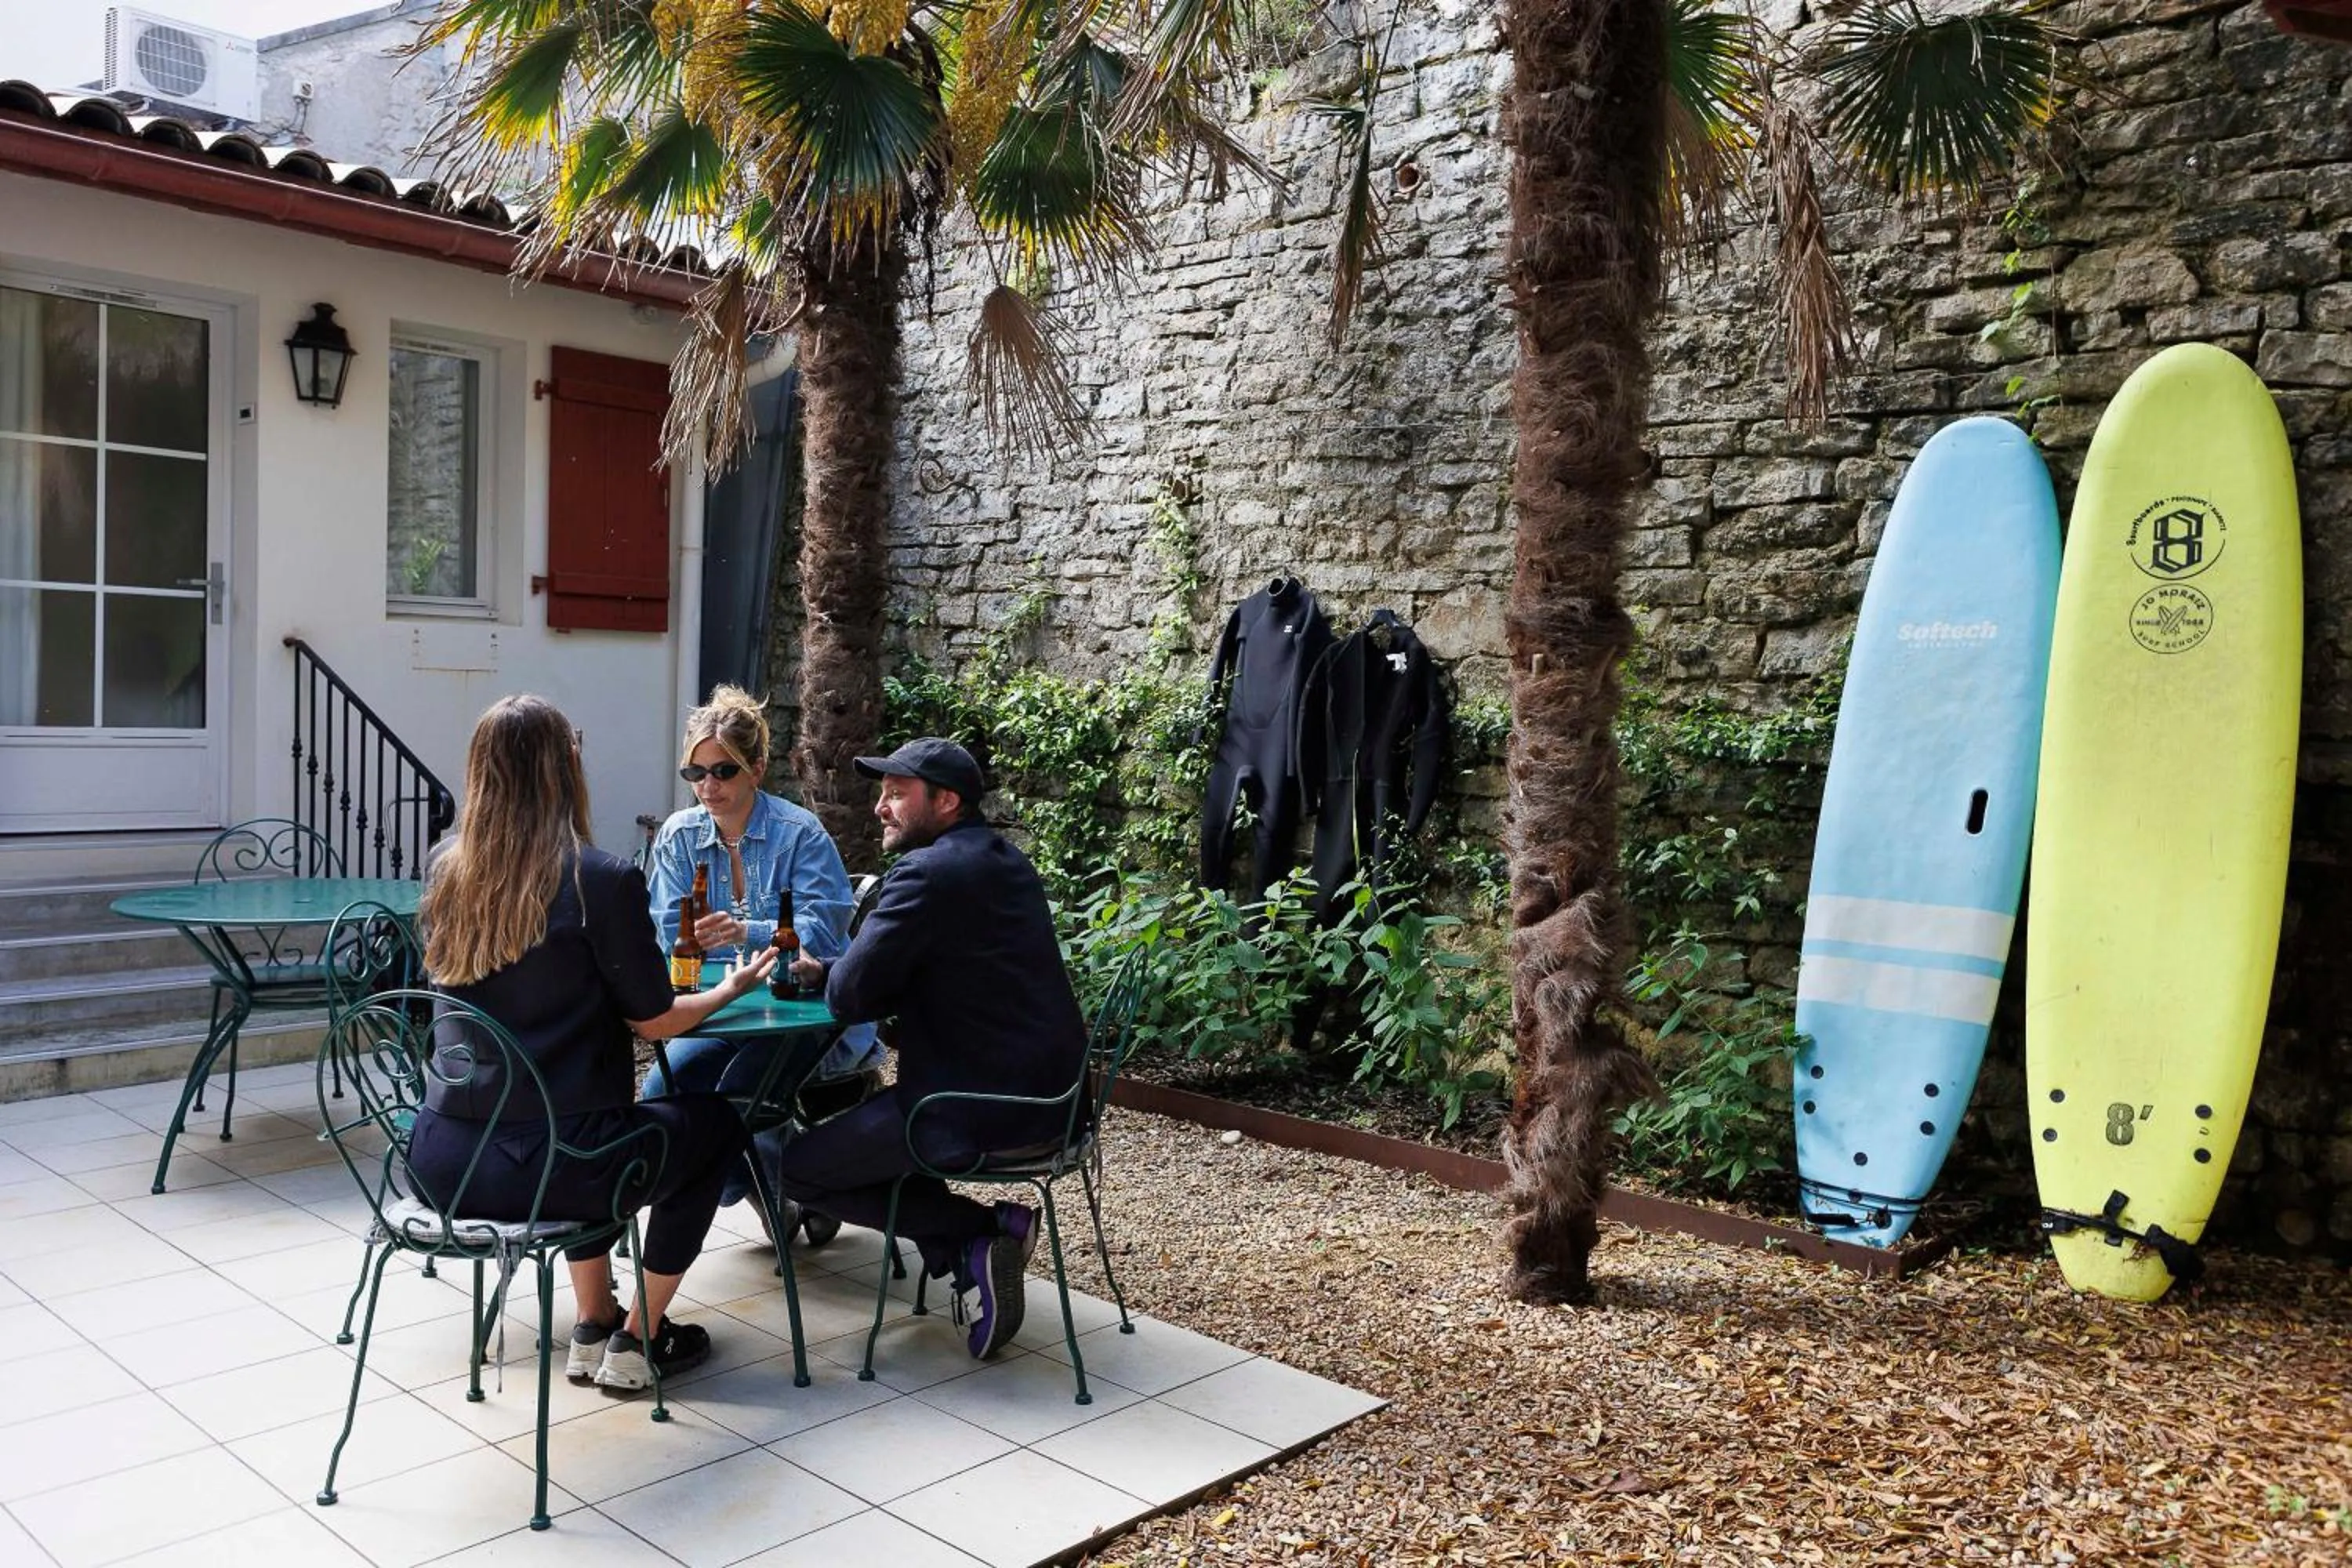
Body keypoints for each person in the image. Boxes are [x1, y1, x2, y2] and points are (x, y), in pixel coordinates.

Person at [411, 695, 777, 1392]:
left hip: (444, 1161)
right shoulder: (600, 880)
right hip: (561, 1166)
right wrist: (729, 991)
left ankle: (594, 1319)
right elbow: (655, 1020)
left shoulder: (443, 867)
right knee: (713, 1126)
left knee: (594, 1126)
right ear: (565, 768)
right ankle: (640, 1339)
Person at [779, 737, 1089, 1359]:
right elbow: (941, 967)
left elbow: (851, 997)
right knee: (863, 1146)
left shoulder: (925, 874)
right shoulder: (1005, 861)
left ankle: (980, 1232)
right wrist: (841, 972)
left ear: (946, 801)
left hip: (970, 1107)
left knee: (799, 1170)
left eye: (897, 794)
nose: (880, 808)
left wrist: (832, 974)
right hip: (1056, 1103)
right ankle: (970, 1253)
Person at [641, 685, 885, 1227]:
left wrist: (746, 932)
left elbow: (823, 931)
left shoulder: (798, 833)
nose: (708, 786)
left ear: (756, 769)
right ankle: (775, 1195)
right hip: (725, 1012)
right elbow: (667, 932)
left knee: (739, 1098)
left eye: (723, 771)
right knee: (662, 1091)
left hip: (808, 1015)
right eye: (695, 773)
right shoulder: (679, 837)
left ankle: (794, 1197)